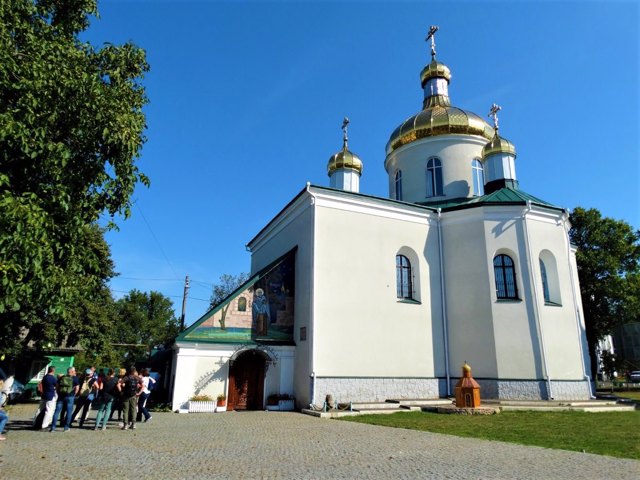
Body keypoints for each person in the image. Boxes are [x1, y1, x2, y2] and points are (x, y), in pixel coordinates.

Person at [50, 367, 79, 432]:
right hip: (70, 397)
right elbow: (77, 388)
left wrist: (58, 393)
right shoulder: (75, 379)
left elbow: (57, 387)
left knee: (57, 411)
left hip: (61, 396)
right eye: (74, 371)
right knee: (69, 412)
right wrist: (74, 395)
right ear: (72, 371)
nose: (75, 372)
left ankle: (53, 427)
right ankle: (66, 427)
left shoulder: (61, 377)